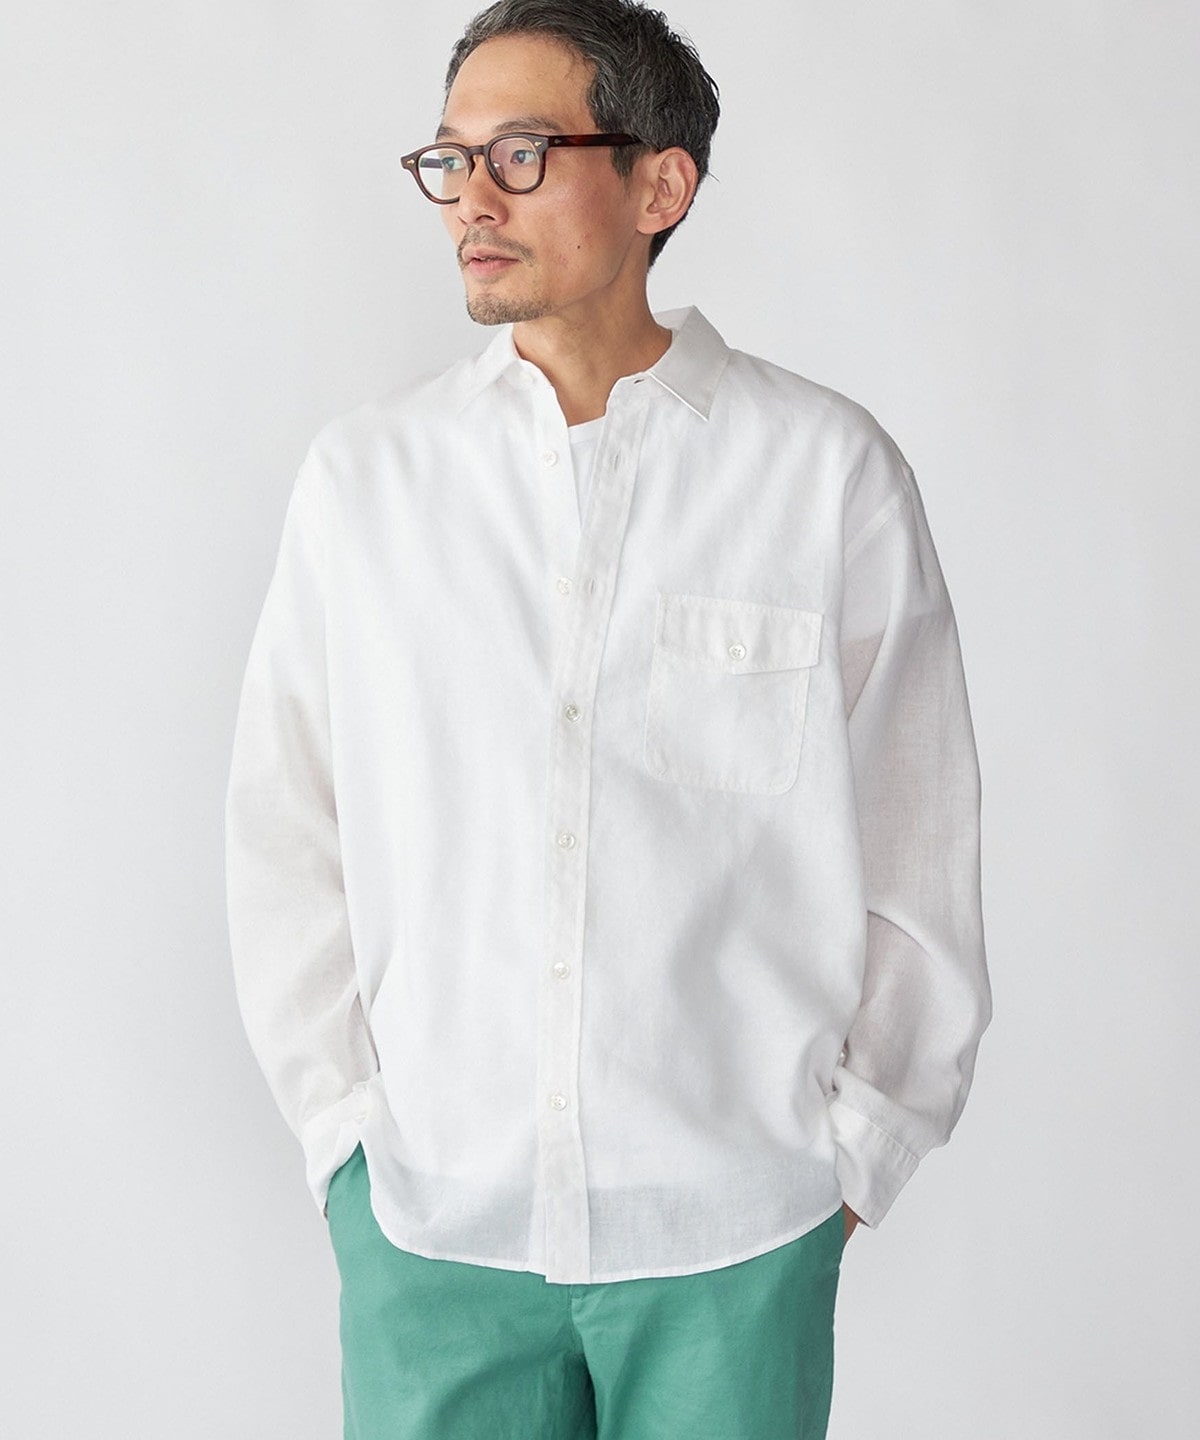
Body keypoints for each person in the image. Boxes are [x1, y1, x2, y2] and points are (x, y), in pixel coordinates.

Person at [224, 2, 992, 1436]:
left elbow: (919, 840)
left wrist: (856, 1157)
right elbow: (286, 834)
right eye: (447, 160)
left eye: (519, 154)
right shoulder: (368, 487)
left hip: (734, 1235)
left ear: (659, 184)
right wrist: (345, 1145)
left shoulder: (823, 475)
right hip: (432, 1231)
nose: (470, 199)